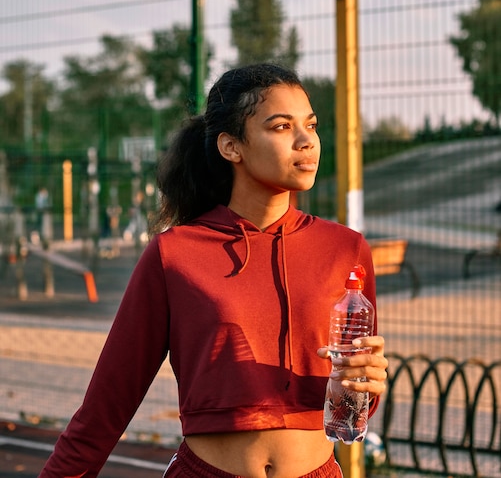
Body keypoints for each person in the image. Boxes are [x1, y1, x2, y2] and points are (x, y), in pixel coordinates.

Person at [39, 63, 388, 478]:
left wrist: (362, 387)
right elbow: (106, 406)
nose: (305, 142)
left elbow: (350, 403)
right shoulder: (175, 254)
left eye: (310, 126)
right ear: (231, 147)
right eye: (280, 127)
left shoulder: (346, 248)